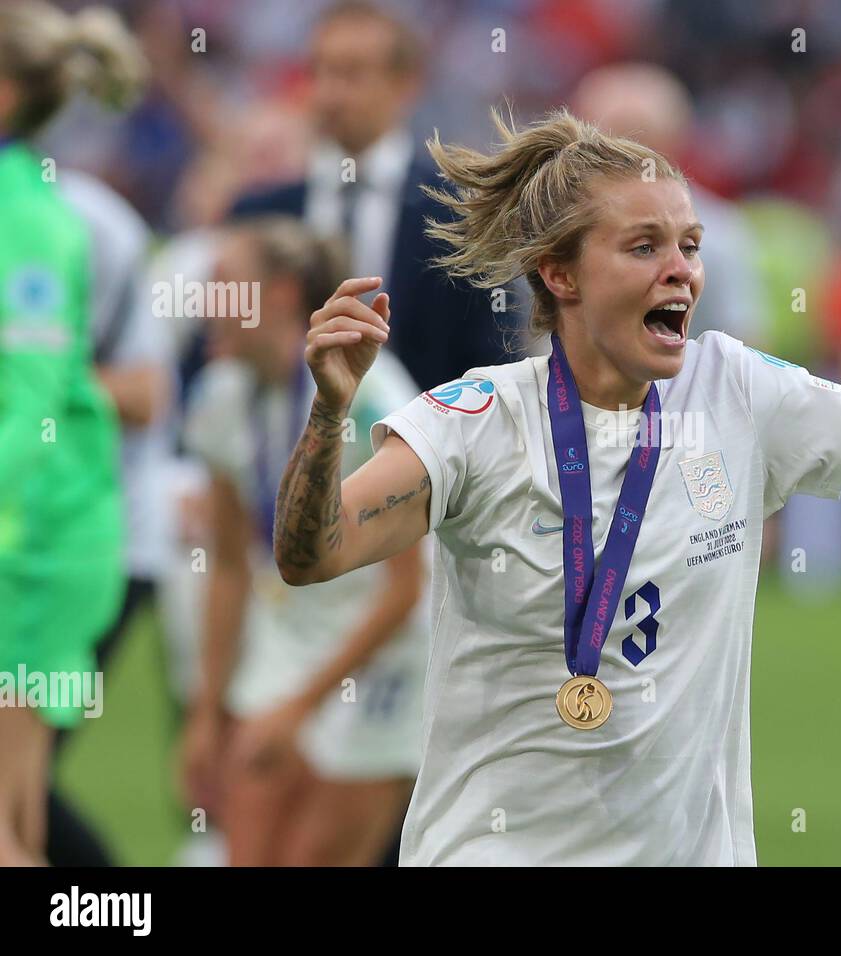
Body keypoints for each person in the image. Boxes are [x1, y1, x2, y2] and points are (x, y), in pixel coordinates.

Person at [271, 105, 841, 865]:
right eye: (645, 245)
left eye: (689, 245)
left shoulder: (739, 391)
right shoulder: (474, 420)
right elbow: (316, 552)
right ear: (560, 273)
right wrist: (328, 416)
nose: (683, 270)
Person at [179, 218, 429, 866]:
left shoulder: (375, 396)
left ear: (284, 293)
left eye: (226, 286)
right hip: (284, 643)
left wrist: (302, 706)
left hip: (383, 658)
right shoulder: (220, 398)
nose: (208, 303)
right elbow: (231, 567)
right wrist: (208, 711)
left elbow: (408, 591)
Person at [0, 0, 143, 865]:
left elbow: (31, 406)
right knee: (17, 824)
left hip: (33, 552)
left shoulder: (31, 224)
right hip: (39, 541)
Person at [227, 0, 517, 393]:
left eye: (352, 73)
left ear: (405, 84)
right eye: (319, 71)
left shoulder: (461, 216)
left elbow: (493, 365)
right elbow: (218, 352)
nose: (330, 93)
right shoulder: (258, 216)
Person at [571, 62, 763, 342]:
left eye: (639, 134)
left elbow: (744, 344)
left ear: (675, 139)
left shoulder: (720, 234)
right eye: (612, 134)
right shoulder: (554, 226)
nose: (626, 150)